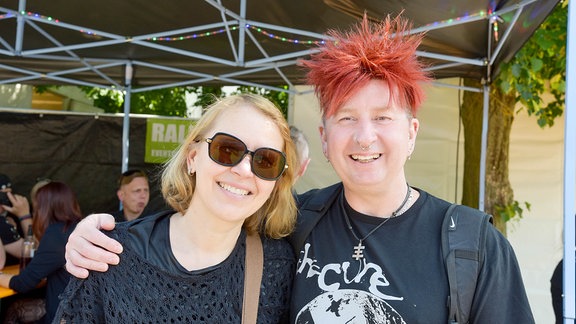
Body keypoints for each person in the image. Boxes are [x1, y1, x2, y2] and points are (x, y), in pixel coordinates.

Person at [62, 15, 535, 323]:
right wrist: (93, 237)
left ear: (411, 132)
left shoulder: (472, 246)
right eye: (346, 119)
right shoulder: (290, 223)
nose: (364, 137)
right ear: (325, 139)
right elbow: (202, 230)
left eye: (383, 119)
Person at [54, 94, 298, 322]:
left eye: (267, 161)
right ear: (192, 158)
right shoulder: (109, 254)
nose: (244, 170)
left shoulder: (277, 267)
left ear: (276, 183)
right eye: (227, 149)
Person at [0, 181, 83, 323]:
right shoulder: (79, 229)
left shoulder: (57, 234)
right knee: (16, 308)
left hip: (64, 317)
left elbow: (23, 283)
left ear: (42, 208)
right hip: (83, 311)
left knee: (13, 311)